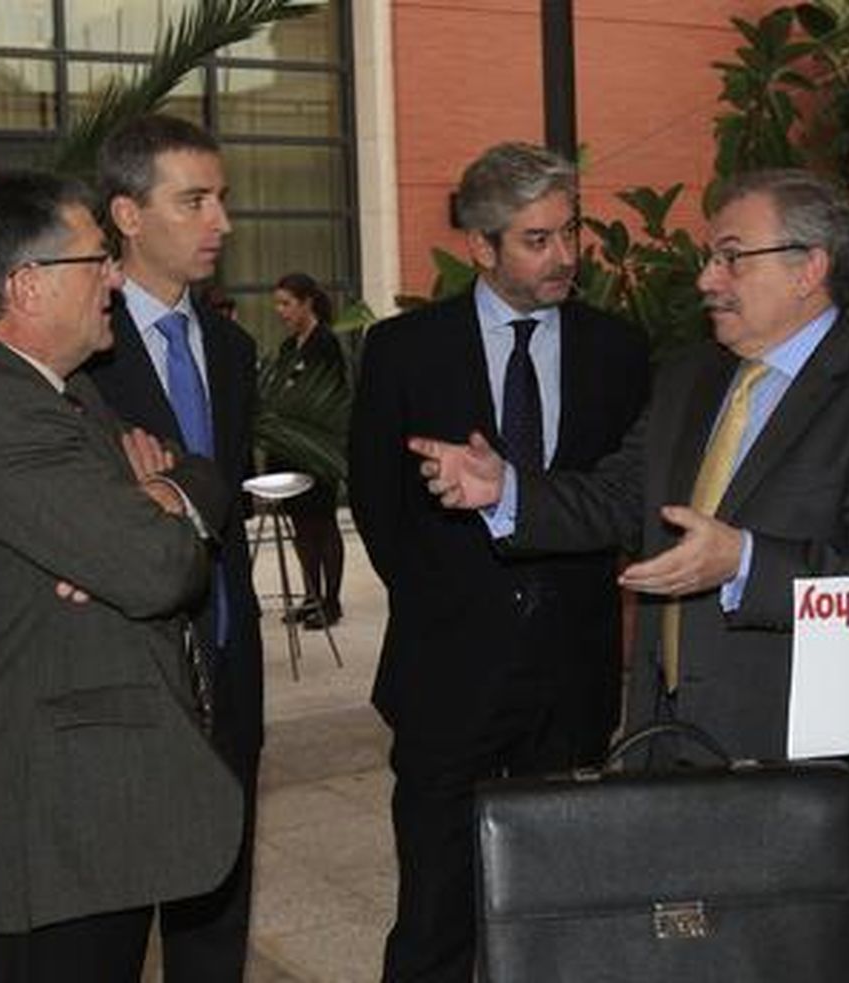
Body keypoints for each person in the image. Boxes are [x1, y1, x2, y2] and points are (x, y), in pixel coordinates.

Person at [411, 167, 849, 983]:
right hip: (670, 760)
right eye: (710, 256)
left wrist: (742, 560)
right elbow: (620, 496)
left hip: (809, 783)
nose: (707, 278)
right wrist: (508, 490)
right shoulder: (691, 377)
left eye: (732, 257)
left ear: (808, 267)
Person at [0, 170, 243, 981]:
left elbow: (203, 477)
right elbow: (158, 566)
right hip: (51, 825)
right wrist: (140, 520)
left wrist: (156, 496)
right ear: (27, 285)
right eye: (99, 260)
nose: (118, 278)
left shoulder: (66, 390)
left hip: (95, 813)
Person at [349, 142, 651, 983]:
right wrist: (451, 609)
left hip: (573, 677)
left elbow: (620, 497)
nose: (565, 256)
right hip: (448, 676)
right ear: (482, 246)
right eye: (537, 240)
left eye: (570, 232)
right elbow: (379, 502)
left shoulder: (619, 350)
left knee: (560, 912)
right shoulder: (405, 349)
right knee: (437, 917)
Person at [83, 113, 264, 982]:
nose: (220, 222)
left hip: (228, 668)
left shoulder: (232, 348)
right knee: (111, 924)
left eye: (221, 200)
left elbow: (220, 510)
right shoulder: (79, 354)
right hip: (125, 681)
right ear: (126, 214)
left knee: (215, 922)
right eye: (193, 201)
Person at [266, 271, 347, 628]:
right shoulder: (286, 348)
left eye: (286, 303)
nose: (280, 311)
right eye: (277, 305)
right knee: (301, 525)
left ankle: (331, 601)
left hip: (317, 450)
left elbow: (330, 396)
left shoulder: (326, 344)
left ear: (306, 303)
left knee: (323, 523)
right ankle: (310, 595)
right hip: (288, 450)